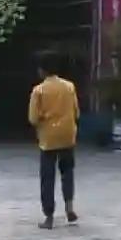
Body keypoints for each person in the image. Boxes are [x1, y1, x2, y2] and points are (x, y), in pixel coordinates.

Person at [28, 50, 80, 230]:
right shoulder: (69, 86)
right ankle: (69, 208)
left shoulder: (38, 91)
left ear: (42, 70)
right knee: (67, 172)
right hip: (67, 135)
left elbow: (33, 118)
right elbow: (77, 111)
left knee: (47, 177)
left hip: (48, 139)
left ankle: (49, 216)